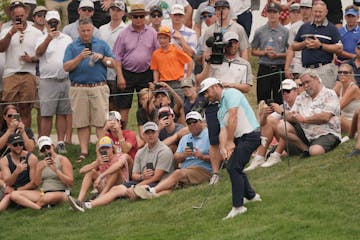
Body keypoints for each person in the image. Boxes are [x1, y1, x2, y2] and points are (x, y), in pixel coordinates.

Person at [67, 122, 174, 212]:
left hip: (157, 183)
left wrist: (136, 186)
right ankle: (85, 204)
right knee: (115, 188)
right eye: (147, 132)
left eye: (152, 132)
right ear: (143, 135)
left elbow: (157, 177)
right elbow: (135, 175)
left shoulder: (163, 151)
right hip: (130, 182)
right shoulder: (141, 152)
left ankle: (92, 202)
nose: (150, 135)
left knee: (117, 173)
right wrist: (141, 177)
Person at [199, 78, 262, 220]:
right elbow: (223, 129)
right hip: (240, 138)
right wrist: (223, 147)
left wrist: (229, 142)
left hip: (251, 135)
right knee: (234, 166)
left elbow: (233, 116)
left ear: (215, 87)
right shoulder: (220, 108)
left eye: (207, 92)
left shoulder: (231, 93)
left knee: (234, 167)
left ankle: (238, 207)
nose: (206, 96)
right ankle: (251, 196)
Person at [196, 30, 253, 185]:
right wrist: (208, 63)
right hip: (215, 104)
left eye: (235, 42)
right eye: (230, 43)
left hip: (235, 104)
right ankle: (215, 173)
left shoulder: (244, 63)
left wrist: (230, 85)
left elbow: (247, 87)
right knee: (214, 140)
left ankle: (235, 166)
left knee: (237, 137)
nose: (233, 45)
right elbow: (200, 80)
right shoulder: (215, 61)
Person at [63, 17, 121, 162]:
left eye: (88, 30)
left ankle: (102, 148)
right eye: (83, 31)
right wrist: (79, 58)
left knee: (101, 121)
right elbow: (66, 67)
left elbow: (113, 63)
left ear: (92, 30)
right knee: (81, 121)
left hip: (98, 87)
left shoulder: (101, 44)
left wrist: (102, 58)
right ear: (79, 31)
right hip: (79, 88)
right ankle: (83, 151)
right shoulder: (72, 47)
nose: (86, 33)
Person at [134, 111, 211, 199]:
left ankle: (152, 190)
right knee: (172, 183)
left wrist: (201, 156)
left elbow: (218, 159)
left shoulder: (209, 135)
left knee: (177, 174)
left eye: (195, 121)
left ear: (201, 122)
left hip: (203, 170)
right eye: (189, 123)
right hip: (186, 170)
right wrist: (184, 155)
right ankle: (153, 195)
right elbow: (176, 157)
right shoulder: (185, 138)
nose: (192, 124)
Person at [112, 3, 159, 125]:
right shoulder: (123, 34)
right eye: (135, 17)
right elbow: (117, 57)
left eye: (141, 16)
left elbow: (157, 55)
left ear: (145, 17)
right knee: (123, 107)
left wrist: (155, 78)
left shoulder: (152, 33)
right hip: (126, 73)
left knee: (146, 106)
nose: (139, 19)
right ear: (131, 17)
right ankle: (123, 136)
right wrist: (120, 76)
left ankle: (146, 137)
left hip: (146, 73)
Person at [276, 70, 341, 157]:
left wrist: (303, 119)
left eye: (308, 82)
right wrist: (291, 115)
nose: (306, 86)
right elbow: (292, 115)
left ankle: (311, 149)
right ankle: (305, 149)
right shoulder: (301, 97)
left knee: (315, 151)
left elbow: (325, 117)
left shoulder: (329, 94)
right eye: (303, 84)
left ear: (317, 79)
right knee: (281, 126)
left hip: (326, 132)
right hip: (306, 133)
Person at [0, 0, 43, 128]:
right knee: (8, 109)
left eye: (22, 15)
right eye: (16, 15)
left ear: (26, 15)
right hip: (10, 74)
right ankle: (7, 139)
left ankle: (25, 138)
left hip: (29, 74)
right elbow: (1, 48)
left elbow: (42, 55)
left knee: (26, 108)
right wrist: (11, 33)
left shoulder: (36, 32)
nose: (19, 17)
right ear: (12, 16)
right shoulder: (6, 31)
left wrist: (32, 59)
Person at [35, 11, 73, 154]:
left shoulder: (67, 39)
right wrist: (48, 39)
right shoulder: (41, 37)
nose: (53, 24)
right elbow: (38, 54)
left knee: (62, 113)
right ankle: (44, 143)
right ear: (46, 23)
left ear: (59, 23)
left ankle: (61, 142)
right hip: (47, 81)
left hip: (64, 80)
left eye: (55, 22)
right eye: (50, 22)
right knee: (46, 114)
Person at [246, 79, 300, 170]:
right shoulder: (283, 106)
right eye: (282, 92)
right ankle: (260, 156)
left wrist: (282, 113)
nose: (285, 94)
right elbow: (263, 125)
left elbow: (297, 121)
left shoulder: (301, 103)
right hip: (289, 141)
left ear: (296, 91)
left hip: (301, 141)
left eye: (287, 91)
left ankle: (276, 155)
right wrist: (264, 115)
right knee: (270, 120)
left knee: (283, 123)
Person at [9, 136, 73, 209]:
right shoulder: (41, 163)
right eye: (43, 149)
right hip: (44, 192)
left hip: (62, 191)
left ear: (53, 146)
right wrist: (39, 169)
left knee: (47, 197)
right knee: (14, 194)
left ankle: (32, 206)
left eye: (48, 147)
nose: (46, 150)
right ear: (40, 151)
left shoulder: (62, 159)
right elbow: (36, 184)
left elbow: (70, 182)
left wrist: (56, 171)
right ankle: (38, 207)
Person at [292, 0, 342, 89]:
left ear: (326, 12)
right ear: (312, 11)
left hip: (324, 69)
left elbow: (339, 49)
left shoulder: (332, 28)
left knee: (325, 99)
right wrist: (304, 44)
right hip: (306, 70)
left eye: (320, 12)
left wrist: (320, 46)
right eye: (315, 11)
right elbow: (293, 46)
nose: (317, 14)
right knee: (307, 99)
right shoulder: (304, 27)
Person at [70, 136, 129, 203]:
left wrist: (101, 176)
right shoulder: (100, 160)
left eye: (107, 148)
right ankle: (79, 200)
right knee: (91, 172)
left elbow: (118, 165)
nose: (105, 150)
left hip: (119, 185)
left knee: (115, 171)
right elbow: (81, 171)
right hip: (104, 185)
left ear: (112, 148)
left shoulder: (120, 156)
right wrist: (96, 163)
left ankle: (100, 197)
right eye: (102, 148)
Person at [251, 2, 289, 104]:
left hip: (279, 67)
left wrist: (278, 55)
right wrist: (263, 52)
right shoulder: (260, 31)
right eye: (270, 12)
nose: (272, 15)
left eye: (275, 12)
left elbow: (290, 52)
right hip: (264, 67)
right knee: (263, 101)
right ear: (266, 14)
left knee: (280, 101)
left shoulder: (285, 32)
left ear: (279, 14)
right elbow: (253, 51)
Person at [99, 0, 127, 113]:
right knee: (105, 106)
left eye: (118, 10)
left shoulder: (126, 29)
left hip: (119, 73)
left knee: (118, 106)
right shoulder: (102, 29)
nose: (115, 12)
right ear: (109, 11)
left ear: (123, 13)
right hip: (103, 72)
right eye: (113, 9)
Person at [0, 133, 38, 212]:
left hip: (27, 191)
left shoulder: (31, 158)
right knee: (8, 194)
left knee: (9, 196)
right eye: (15, 144)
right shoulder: (4, 160)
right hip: (11, 189)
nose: (18, 147)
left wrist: (16, 190)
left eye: (20, 144)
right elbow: (8, 183)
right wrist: (16, 172)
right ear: (9, 145)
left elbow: (33, 183)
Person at [151, 25, 193, 93]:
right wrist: (155, 81)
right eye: (160, 38)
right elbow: (155, 69)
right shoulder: (156, 53)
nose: (162, 40)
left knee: (179, 102)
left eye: (165, 38)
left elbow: (190, 62)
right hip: (163, 83)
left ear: (169, 39)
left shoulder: (176, 50)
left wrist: (187, 78)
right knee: (165, 102)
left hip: (177, 82)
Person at [284, 0, 313, 79]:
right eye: (302, 8)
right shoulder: (294, 27)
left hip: (314, 64)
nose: (304, 10)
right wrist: (287, 68)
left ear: (312, 9)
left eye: (307, 8)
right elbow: (290, 49)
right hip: (298, 64)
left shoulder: (318, 25)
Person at [333, 63, 360, 134]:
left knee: (336, 117)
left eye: (345, 72)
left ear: (351, 74)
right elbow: (329, 98)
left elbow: (338, 107)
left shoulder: (353, 88)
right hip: (345, 121)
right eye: (340, 72)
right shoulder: (339, 86)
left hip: (355, 123)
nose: (342, 74)